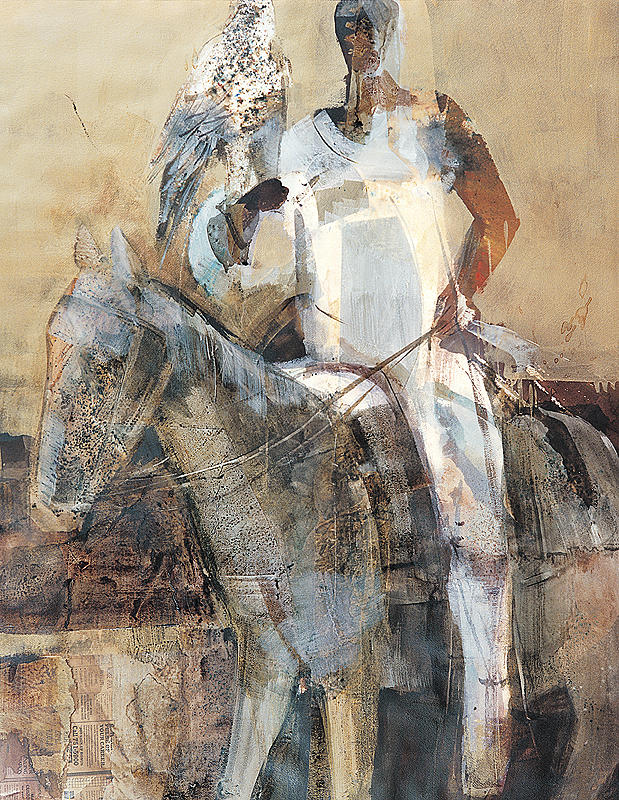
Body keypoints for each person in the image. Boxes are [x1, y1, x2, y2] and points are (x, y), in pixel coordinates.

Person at [187, 0, 520, 794]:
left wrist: (461, 290)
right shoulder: (302, 144)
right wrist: (229, 218)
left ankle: (486, 726)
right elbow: (244, 222)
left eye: (370, 20)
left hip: (422, 355)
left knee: (473, 525)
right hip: (331, 365)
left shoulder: (434, 120)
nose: (359, 36)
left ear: (394, 27)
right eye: (347, 23)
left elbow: (498, 219)